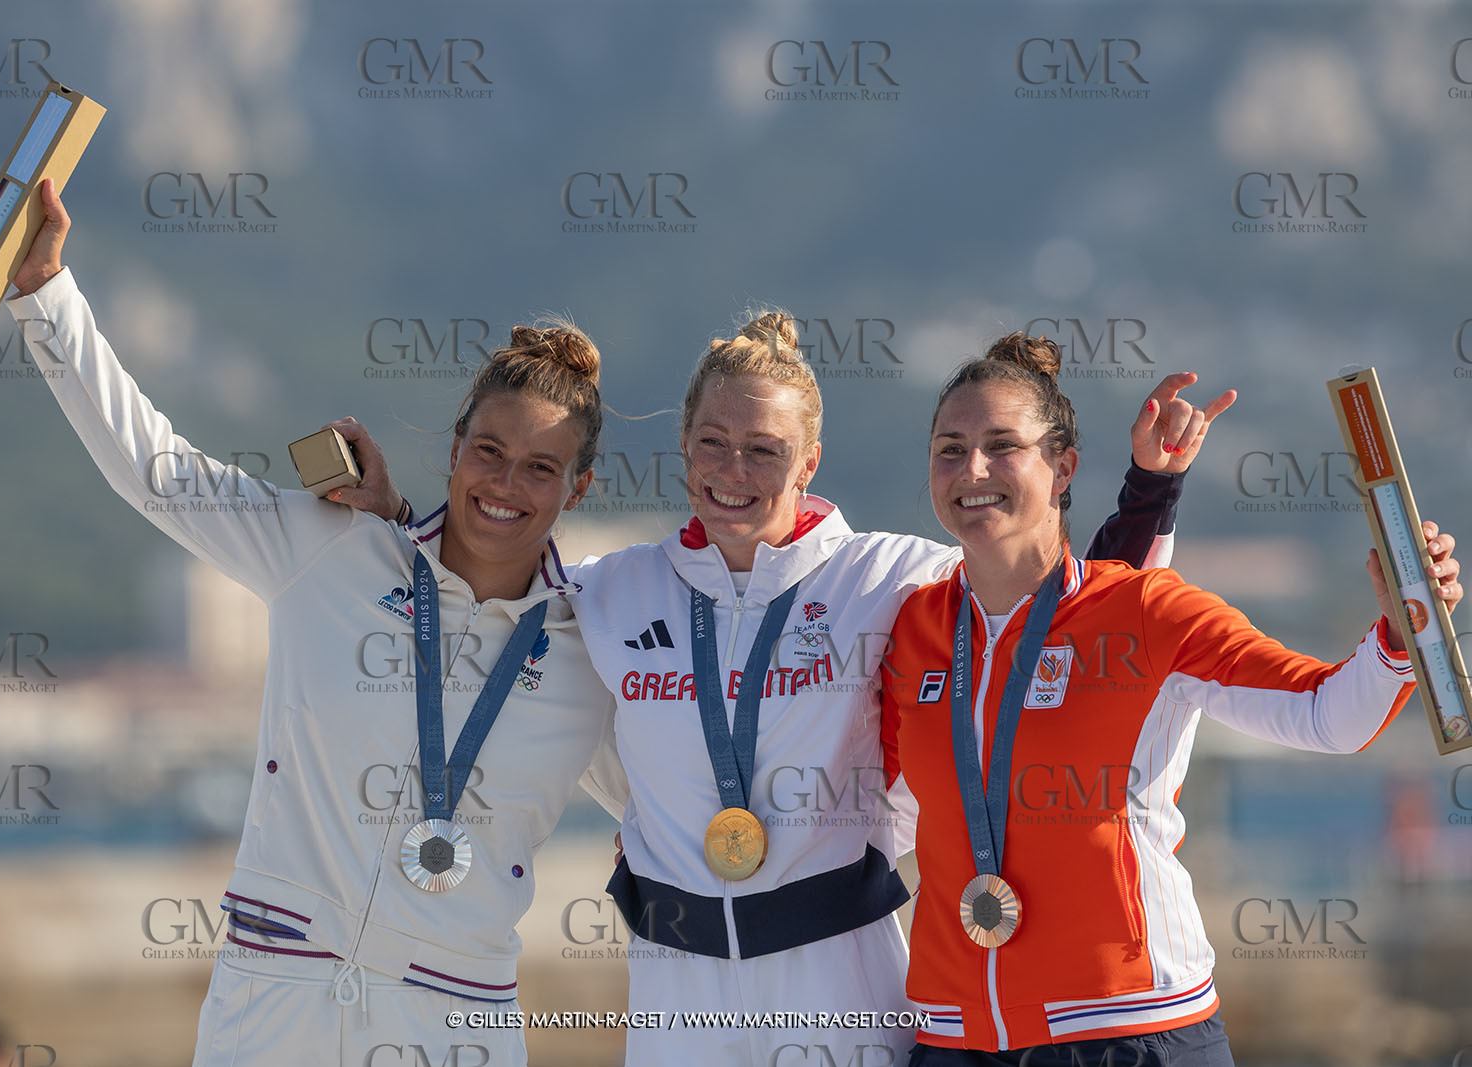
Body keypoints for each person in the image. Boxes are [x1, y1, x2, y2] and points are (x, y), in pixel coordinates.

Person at [346, 313, 1230, 1063]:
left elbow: (1068, 609)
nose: (734, 470)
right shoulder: (611, 590)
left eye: (764, 450)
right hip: (675, 987)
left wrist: (1150, 489)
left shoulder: (888, 576)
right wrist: (390, 526)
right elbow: (477, 592)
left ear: (808, 462)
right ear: (684, 449)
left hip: (839, 973)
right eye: (712, 445)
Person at [0, 176, 626, 1066]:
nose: (504, 485)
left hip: (453, 1021)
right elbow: (158, 471)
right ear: (454, 448)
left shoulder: (591, 651)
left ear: (579, 488)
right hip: (274, 1000)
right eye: (488, 451)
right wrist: (46, 293)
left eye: (538, 468)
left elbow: (673, 812)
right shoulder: (332, 550)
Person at [878, 334, 1462, 1065]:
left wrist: (1399, 638)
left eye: (1003, 446)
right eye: (950, 449)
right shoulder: (912, 628)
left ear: (1063, 467)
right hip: (952, 1034)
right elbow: (883, 808)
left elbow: (1326, 714)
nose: (973, 469)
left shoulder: (1147, 612)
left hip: (1129, 1030)